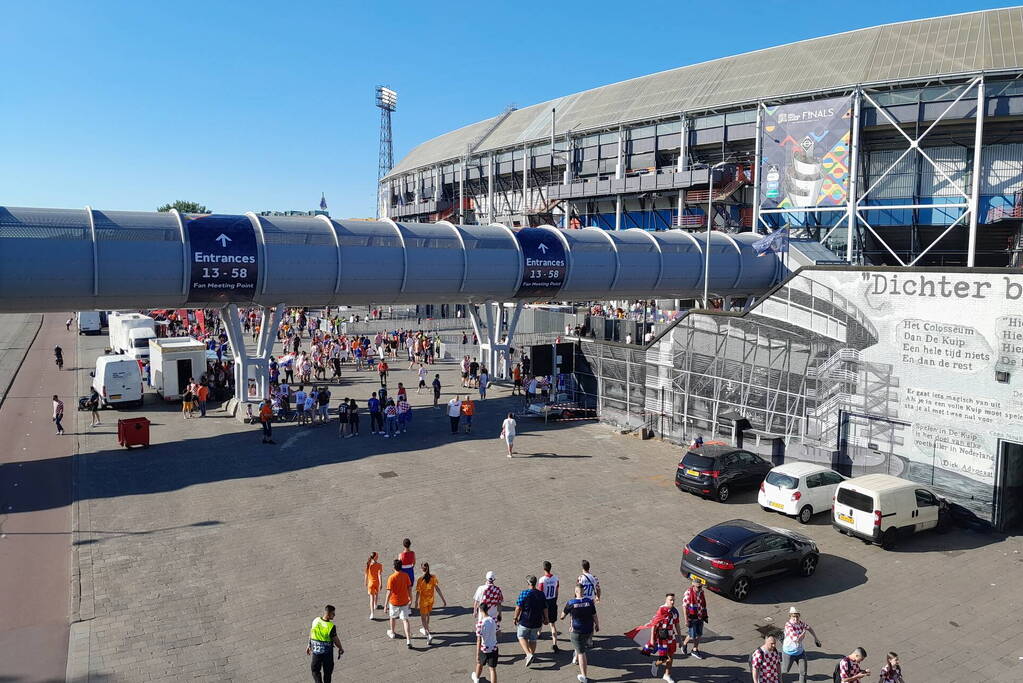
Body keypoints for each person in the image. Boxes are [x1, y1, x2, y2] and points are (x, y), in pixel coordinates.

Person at [631, 593, 682, 683]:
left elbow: (677, 624)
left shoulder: (675, 611)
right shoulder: (661, 610)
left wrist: (680, 638)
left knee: (671, 657)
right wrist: (651, 639)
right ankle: (655, 664)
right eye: (670, 600)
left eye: (674, 600)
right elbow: (654, 625)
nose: (673, 602)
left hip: (671, 637)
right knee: (665, 658)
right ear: (666, 600)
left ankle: (667, 675)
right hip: (662, 638)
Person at [561, 583, 598, 683]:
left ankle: (584, 676)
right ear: (584, 592)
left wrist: (563, 616)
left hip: (576, 631)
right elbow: (594, 615)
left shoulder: (571, 603)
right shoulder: (589, 602)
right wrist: (597, 625)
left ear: (576, 592)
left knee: (582, 652)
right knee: (580, 645)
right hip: (588, 630)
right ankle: (575, 658)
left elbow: (562, 616)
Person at [514, 575, 549, 667]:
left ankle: (528, 654)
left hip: (525, 621)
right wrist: (546, 618)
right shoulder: (541, 594)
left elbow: (518, 608)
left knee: (521, 636)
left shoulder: (524, 593)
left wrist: (515, 617)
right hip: (537, 621)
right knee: (533, 639)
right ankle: (531, 655)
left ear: (528, 583)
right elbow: (545, 607)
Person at [781, 606, 821, 683]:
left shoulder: (800, 623)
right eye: (793, 617)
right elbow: (797, 640)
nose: (795, 619)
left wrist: (815, 638)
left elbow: (808, 627)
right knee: (785, 671)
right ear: (790, 616)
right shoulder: (788, 625)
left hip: (800, 652)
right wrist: (803, 633)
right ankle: (778, 680)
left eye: (797, 617)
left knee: (803, 672)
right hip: (789, 653)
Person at [306, 604, 343, 683]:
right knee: (327, 673)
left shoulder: (316, 620)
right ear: (328, 614)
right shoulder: (330, 626)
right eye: (333, 613)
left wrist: (309, 644)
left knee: (315, 670)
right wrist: (340, 648)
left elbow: (311, 632)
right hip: (327, 654)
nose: (334, 615)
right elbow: (336, 640)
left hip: (316, 652)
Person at [414, 562, 446, 646]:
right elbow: (437, 589)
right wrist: (443, 600)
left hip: (423, 602)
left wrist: (416, 602)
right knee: (428, 615)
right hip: (431, 601)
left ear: (422, 569)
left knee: (423, 618)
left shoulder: (420, 580)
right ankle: (426, 629)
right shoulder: (433, 577)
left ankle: (428, 634)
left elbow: (418, 593)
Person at [384, 559, 413, 648]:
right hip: (404, 601)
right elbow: (409, 588)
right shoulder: (405, 575)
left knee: (392, 617)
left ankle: (392, 632)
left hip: (394, 602)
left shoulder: (391, 577)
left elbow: (389, 592)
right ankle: (408, 639)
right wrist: (410, 598)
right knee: (405, 620)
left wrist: (385, 605)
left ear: (394, 567)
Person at [472, 598, 499, 683]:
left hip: (484, 648)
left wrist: (477, 654)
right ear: (488, 609)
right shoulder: (494, 620)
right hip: (494, 647)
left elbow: (479, 640)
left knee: (479, 664)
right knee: (492, 669)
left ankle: (476, 678)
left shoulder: (480, 624)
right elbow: (498, 632)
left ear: (480, 610)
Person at [681, 577, 708, 659]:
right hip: (692, 618)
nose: (700, 588)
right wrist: (686, 620)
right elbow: (684, 607)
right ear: (693, 585)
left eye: (701, 586)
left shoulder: (701, 592)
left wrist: (705, 615)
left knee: (699, 634)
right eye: (698, 587)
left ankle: (695, 649)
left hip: (700, 616)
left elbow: (703, 604)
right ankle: (684, 644)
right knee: (692, 635)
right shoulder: (688, 593)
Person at [537, 561, 560, 651]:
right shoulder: (556, 579)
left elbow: (540, 592)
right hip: (553, 601)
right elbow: (557, 591)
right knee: (552, 624)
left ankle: (539, 633)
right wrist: (555, 600)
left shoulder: (542, 580)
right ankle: (555, 644)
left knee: (541, 619)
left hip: (544, 602)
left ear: (543, 569)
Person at [365, 552, 383, 620]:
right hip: (377, 583)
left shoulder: (368, 564)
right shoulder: (379, 565)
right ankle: (375, 604)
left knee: (371, 598)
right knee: (377, 593)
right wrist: (381, 583)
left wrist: (366, 581)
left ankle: (372, 613)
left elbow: (366, 574)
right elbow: (379, 575)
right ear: (375, 557)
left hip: (370, 583)